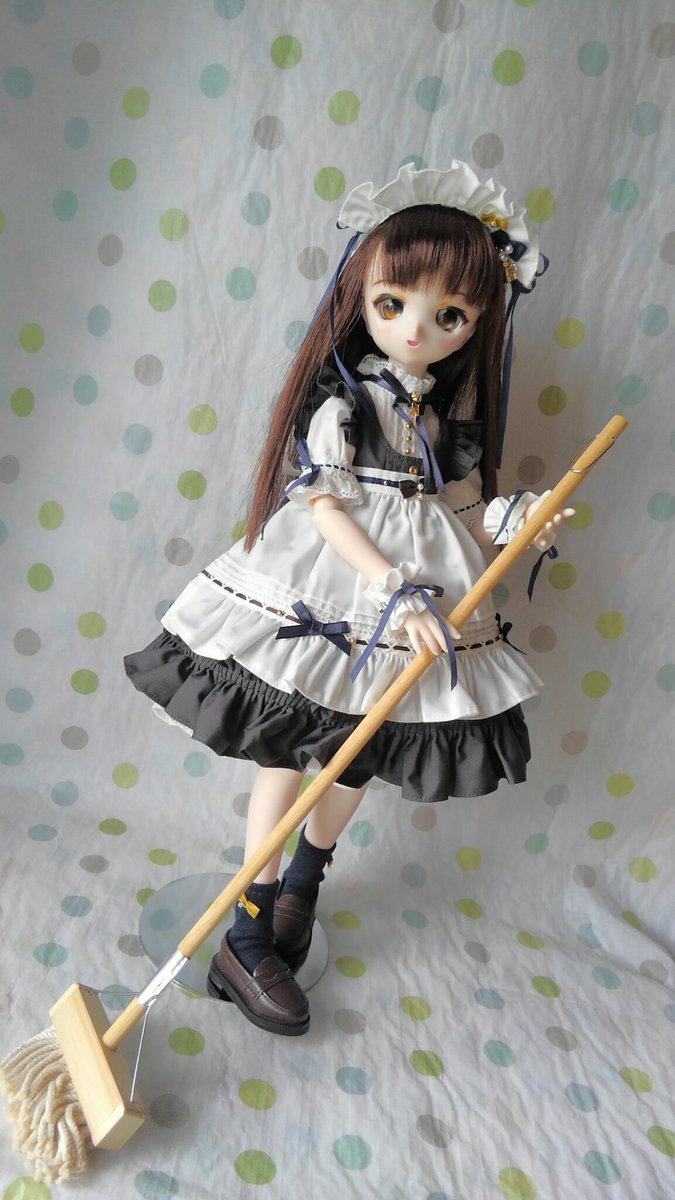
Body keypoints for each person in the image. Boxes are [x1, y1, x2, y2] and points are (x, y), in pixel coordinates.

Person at [124, 162, 572, 1037]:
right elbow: (324, 508)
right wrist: (392, 589)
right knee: (287, 752)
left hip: (414, 610)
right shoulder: (345, 402)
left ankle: (303, 887)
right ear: (359, 295)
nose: (416, 330)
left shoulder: (445, 418)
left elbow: (463, 514)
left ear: (477, 321)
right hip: (334, 592)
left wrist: (515, 522)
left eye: (450, 315)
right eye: (392, 303)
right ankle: (246, 929)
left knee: (362, 751)